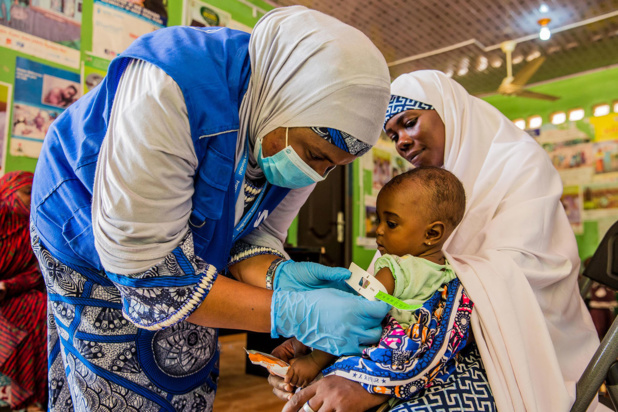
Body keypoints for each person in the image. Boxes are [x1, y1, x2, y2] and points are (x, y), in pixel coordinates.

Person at [30, 6, 391, 411]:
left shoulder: (287, 123)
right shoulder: (172, 86)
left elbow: (253, 235)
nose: (316, 175)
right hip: (82, 222)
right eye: (314, 155)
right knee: (117, 380)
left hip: (174, 253)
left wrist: (278, 275)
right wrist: (293, 312)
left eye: (332, 167)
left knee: (187, 365)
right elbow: (148, 276)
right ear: (288, 99)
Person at [272, 70, 601, 412]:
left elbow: (526, 272)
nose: (401, 141)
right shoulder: (422, 193)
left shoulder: (519, 165)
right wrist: (322, 336)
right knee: (321, 391)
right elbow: (386, 289)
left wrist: (379, 383)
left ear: (450, 113)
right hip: (429, 342)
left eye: (409, 122)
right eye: (393, 134)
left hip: (511, 350)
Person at [283, 166, 469, 390]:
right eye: (378, 220)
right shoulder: (450, 272)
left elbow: (351, 318)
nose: (379, 230)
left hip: (375, 364)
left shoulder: (394, 269)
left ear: (432, 234)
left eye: (391, 223)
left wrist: (314, 361)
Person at [0, 171, 47, 411]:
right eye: (25, 192)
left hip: (12, 294)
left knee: (39, 307)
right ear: (7, 192)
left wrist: (8, 286)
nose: (31, 199)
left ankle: (29, 396)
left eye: (33, 193)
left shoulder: (34, 229)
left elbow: (35, 272)